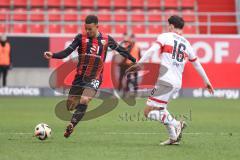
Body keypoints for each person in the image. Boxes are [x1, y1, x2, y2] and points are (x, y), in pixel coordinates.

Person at [126, 15, 214, 145]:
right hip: (177, 82)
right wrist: (207, 82)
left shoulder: (165, 36)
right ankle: (173, 137)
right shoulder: (186, 43)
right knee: (161, 109)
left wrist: (140, 63)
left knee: (147, 112)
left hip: (165, 81)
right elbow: (197, 64)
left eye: (169, 25)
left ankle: (177, 123)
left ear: (171, 26)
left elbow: (152, 50)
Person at [44, 15, 136, 138]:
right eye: (86, 29)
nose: (87, 31)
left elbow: (121, 50)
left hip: (95, 77)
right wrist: (53, 55)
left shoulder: (106, 39)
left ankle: (72, 124)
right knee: (70, 106)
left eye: (90, 29)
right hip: (79, 77)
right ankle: (79, 111)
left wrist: (133, 59)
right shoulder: (80, 38)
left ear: (97, 27)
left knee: (85, 99)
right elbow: (66, 52)